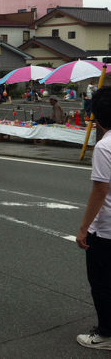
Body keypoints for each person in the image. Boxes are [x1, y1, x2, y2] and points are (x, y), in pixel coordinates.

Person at [76, 86, 111, 350]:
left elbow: (100, 189)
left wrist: (83, 228)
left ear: (97, 117)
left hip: (107, 228)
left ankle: (106, 333)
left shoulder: (104, 147)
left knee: (101, 282)